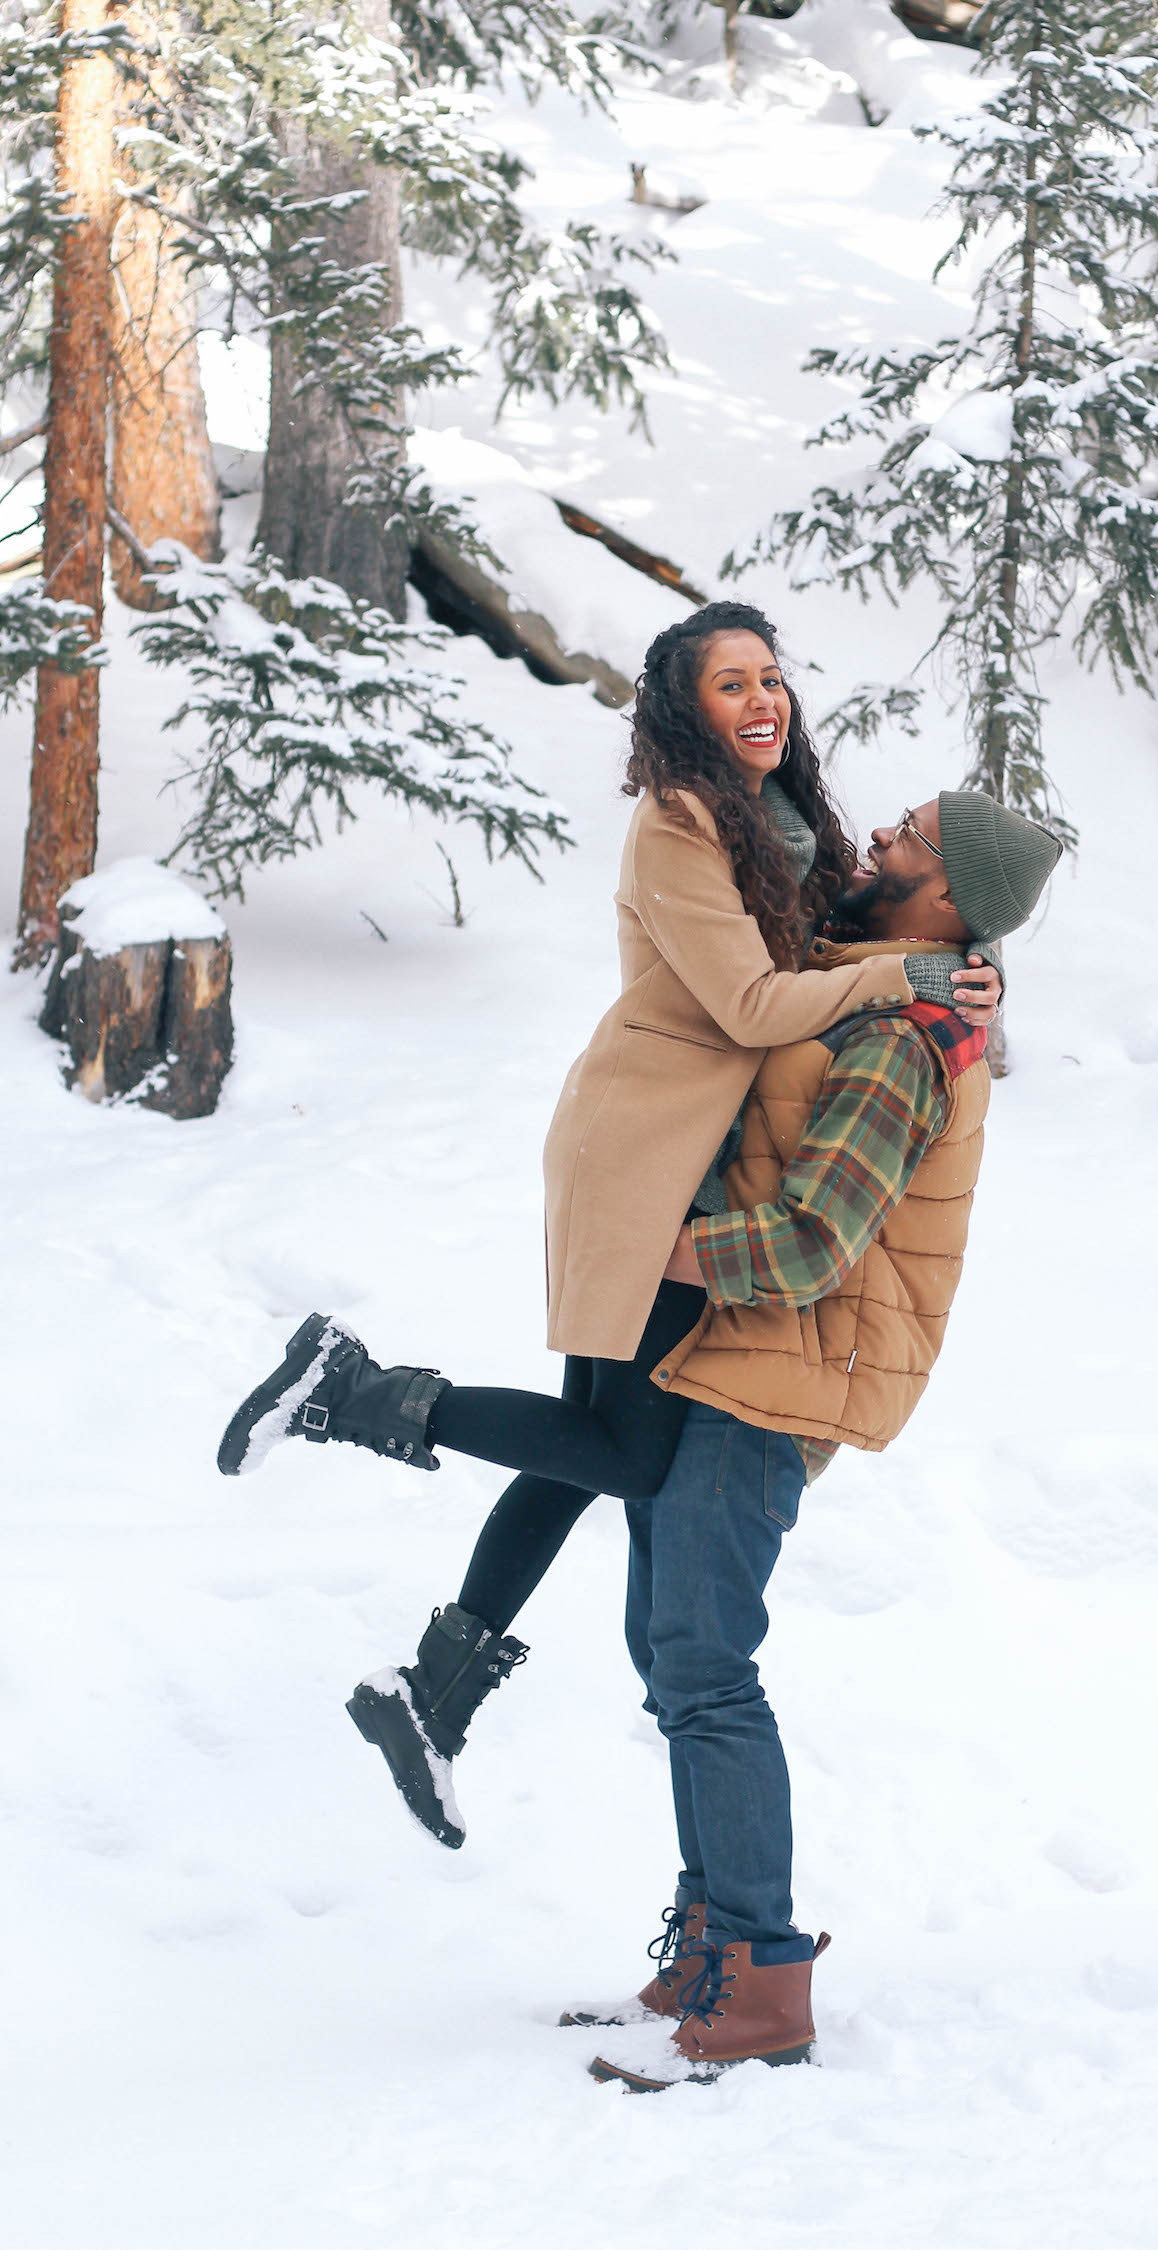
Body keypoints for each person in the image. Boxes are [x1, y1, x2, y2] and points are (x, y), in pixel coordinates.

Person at [216, 603, 1002, 1845]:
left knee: (586, 1443)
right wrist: (906, 974)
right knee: (627, 1456)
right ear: (683, 710)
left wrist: (964, 966)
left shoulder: (788, 828)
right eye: (729, 683)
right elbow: (753, 1003)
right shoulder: (683, 822)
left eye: (772, 678)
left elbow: (892, 934)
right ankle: (351, 1390)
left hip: (683, 1154)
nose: (761, 701)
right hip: (650, 1156)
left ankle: (431, 1695)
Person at [566, 787, 1062, 2089]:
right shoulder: (861, 971)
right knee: (666, 1645)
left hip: (792, 1358)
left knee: (705, 1657)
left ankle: (763, 1979)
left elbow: (810, 1238)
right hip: (741, 1346)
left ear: (948, 893)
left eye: (905, 836)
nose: (875, 840)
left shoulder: (906, 1030)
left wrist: (653, 1247)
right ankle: (711, 1942)